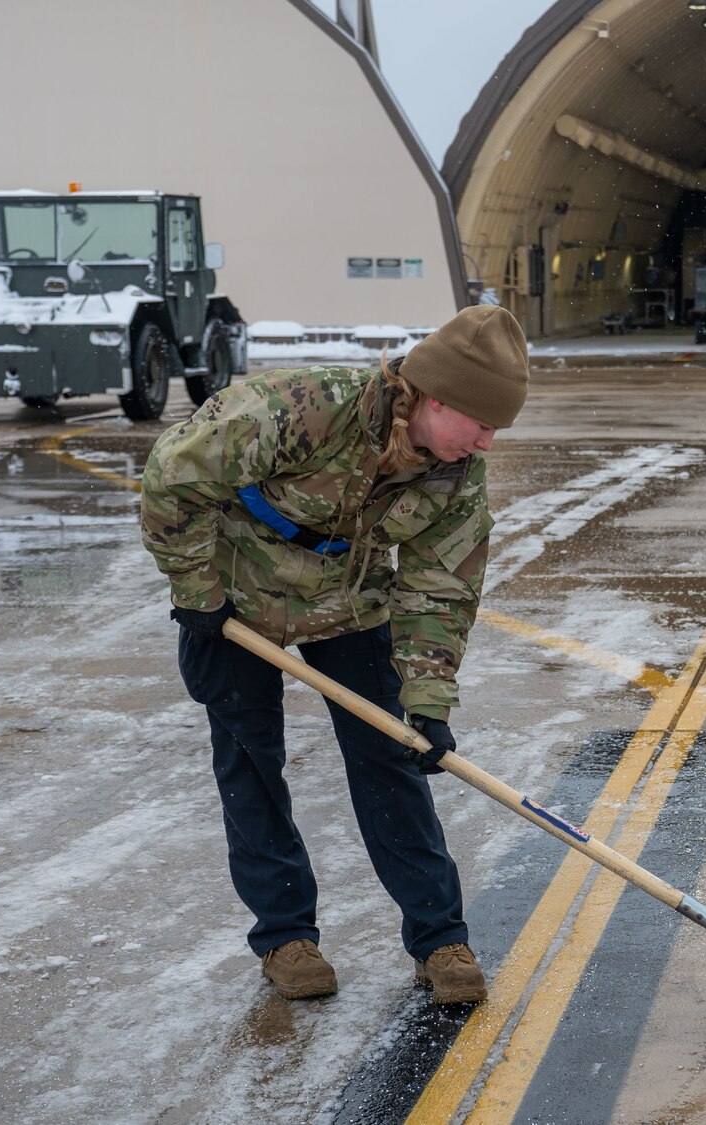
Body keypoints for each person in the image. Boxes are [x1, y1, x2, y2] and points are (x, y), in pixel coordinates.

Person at [140, 304, 528, 999]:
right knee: (251, 761)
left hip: (350, 604)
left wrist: (427, 701)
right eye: (484, 424)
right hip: (237, 595)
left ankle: (440, 938)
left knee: (392, 757)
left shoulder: (454, 473)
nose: (489, 445)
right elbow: (173, 473)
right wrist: (198, 592)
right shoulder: (301, 409)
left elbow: (440, 588)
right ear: (438, 400)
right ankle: (286, 934)